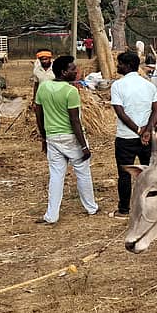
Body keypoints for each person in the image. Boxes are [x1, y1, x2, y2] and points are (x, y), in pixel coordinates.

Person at [34, 55, 98, 224]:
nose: (76, 71)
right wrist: (84, 146)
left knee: (56, 176)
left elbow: (38, 115)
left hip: (52, 137)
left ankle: (51, 215)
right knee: (83, 172)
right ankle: (91, 208)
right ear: (63, 72)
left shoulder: (43, 88)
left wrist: (44, 138)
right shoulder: (71, 92)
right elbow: (75, 121)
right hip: (72, 138)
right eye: (72, 69)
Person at [110, 51, 157, 219]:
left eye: (119, 64)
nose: (117, 66)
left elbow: (120, 112)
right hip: (147, 138)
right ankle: (152, 207)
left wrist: (139, 131)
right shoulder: (149, 85)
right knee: (149, 173)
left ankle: (124, 209)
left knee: (124, 174)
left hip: (126, 138)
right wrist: (147, 130)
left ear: (127, 65)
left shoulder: (118, 85)